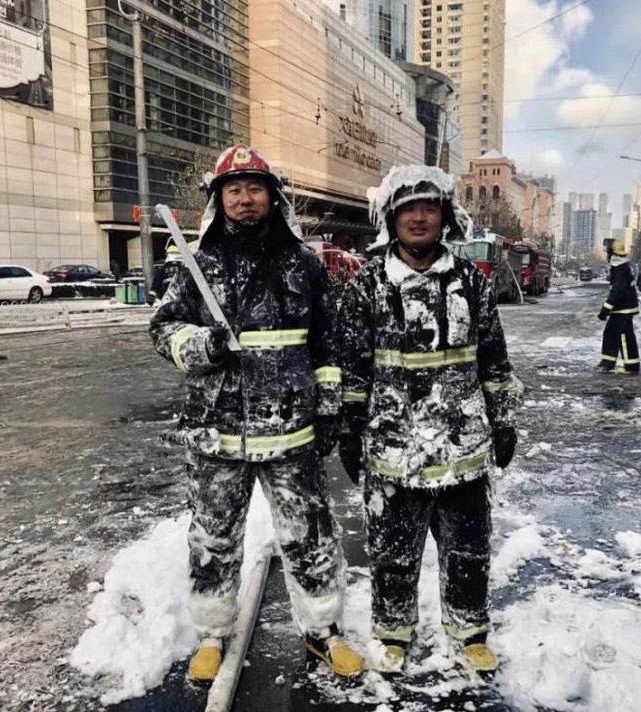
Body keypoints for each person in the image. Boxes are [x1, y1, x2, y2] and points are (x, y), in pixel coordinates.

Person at [149, 144, 364, 683]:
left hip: (291, 426)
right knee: (214, 535)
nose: (246, 200)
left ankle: (323, 631)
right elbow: (163, 329)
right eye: (234, 190)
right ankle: (212, 634)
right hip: (217, 429)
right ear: (219, 200)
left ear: (273, 197)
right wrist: (204, 345)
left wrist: (331, 413)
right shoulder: (196, 266)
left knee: (309, 533)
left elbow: (328, 344)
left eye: (255, 189)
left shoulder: (304, 266)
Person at [337, 165, 524, 674]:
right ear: (392, 219)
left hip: (463, 445)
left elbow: (494, 358)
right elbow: (353, 366)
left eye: (429, 208)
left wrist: (504, 421)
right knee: (392, 552)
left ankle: (470, 631)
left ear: (445, 218)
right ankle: (393, 633)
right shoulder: (367, 285)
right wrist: (349, 430)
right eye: (408, 209)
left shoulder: (470, 283)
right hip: (392, 446)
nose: (419, 218)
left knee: (468, 550)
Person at [595, 240, 640, 374]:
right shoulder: (620, 267)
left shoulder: (620, 269)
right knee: (610, 334)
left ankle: (631, 367)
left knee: (624, 337)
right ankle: (607, 362)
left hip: (623, 309)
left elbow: (618, 291)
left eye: (608, 252)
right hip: (621, 309)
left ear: (612, 253)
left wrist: (605, 310)